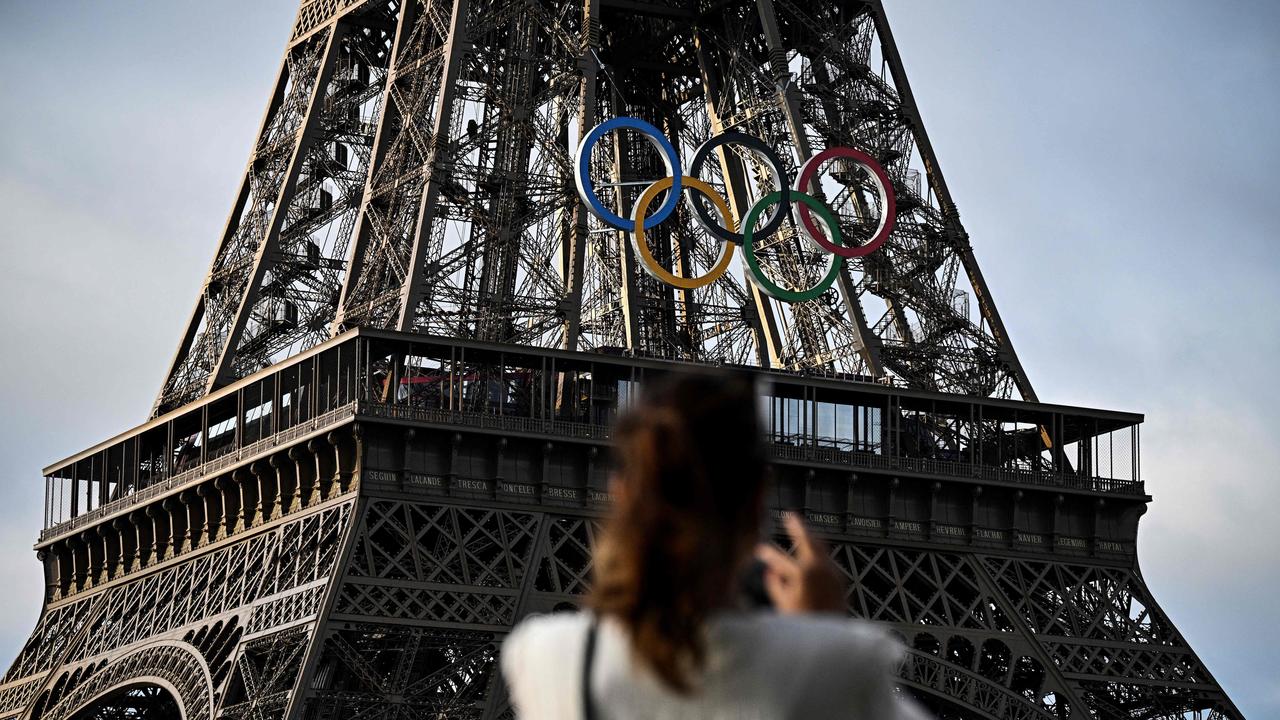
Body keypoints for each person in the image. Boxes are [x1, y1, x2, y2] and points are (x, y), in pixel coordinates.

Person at [501, 372, 928, 720]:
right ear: (758, 501)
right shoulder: (833, 665)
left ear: (620, 494)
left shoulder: (545, 658)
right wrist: (825, 631)